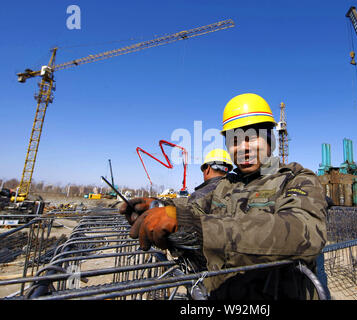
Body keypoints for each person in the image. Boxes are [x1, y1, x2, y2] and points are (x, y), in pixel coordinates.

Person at [121, 93, 327, 300]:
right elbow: (194, 209)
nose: (244, 148)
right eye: (235, 140)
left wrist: (200, 228)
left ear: (270, 138)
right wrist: (161, 206)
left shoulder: (296, 179)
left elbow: (304, 233)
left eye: (252, 137)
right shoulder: (227, 184)